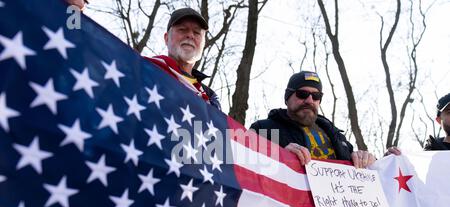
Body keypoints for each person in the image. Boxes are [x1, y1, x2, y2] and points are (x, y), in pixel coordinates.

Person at [64, 1, 221, 110]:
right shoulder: (141, 69)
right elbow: (83, 59)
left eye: (196, 33)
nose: (190, 36)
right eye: (182, 29)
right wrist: (73, 11)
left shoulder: (209, 97)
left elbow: (223, 144)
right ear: (166, 38)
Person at [250, 71, 375, 168]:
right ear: (287, 97)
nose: (309, 100)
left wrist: (370, 160)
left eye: (316, 96)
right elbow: (242, 169)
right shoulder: (265, 129)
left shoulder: (336, 135)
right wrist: (281, 155)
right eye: (302, 94)